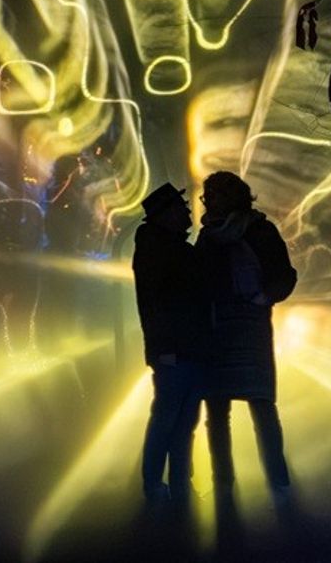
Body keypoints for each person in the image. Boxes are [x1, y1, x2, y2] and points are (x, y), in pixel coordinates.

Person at [196, 170, 297, 499]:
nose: (207, 200)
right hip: (224, 328)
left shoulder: (233, 233)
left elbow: (283, 276)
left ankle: (262, 482)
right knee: (239, 408)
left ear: (230, 197)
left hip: (240, 327)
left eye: (212, 195)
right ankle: (238, 482)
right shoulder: (242, 231)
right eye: (206, 195)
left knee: (255, 407)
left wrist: (262, 297)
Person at [132, 181, 209, 506]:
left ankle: (173, 486)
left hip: (181, 350)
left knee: (176, 420)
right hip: (178, 351)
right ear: (165, 215)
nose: (188, 210)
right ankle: (160, 486)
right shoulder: (161, 249)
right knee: (172, 421)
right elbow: (155, 303)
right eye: (180, 207)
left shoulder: (163, 246)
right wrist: (165, 349)